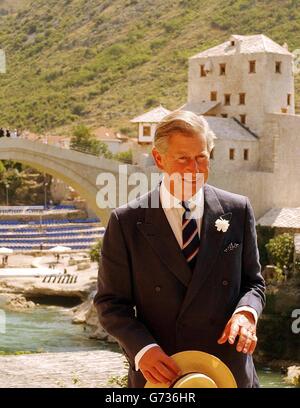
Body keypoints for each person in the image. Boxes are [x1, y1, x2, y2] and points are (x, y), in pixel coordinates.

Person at [94, 110, 266, 388]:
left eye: (201, 158)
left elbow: (253, 284)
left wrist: (246, 313)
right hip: (163, 374)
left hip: (228, 374)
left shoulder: (238, 209)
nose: (194, 170)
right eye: (183, 158)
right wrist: (143, 350)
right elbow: (110, 304)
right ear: (159, 159)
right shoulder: (126, 221)